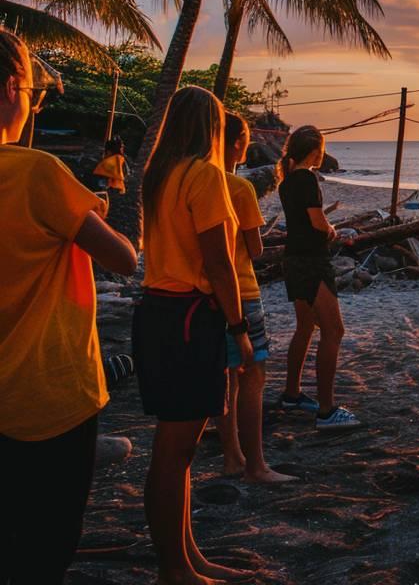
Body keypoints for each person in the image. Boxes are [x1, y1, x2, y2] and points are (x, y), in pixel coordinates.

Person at [0, 29, 137, 583]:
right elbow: (124, 259)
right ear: (11, 87)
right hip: (44, 397)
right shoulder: (37, 173)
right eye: (35, 92)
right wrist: (92, 213)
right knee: (42, 551)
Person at [133, 85, 255, 583]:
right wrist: (239, 328)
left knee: (177, 450)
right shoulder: (204, 176)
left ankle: (187, 557)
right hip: (189, 316)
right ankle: (173, 568)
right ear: (212, 128)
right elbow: (220, 263)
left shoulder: (159, 174)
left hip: (157, 312)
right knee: (174, 450)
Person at [214, 113, 295, 484]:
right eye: (246, 138)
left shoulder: (193, 182)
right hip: (242, 290)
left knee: (225, 377)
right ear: (237, 142)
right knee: (253, 375)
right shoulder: (238, 188)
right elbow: (256, 248)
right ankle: (256, 466)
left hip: (207, 293)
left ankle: (232, 456)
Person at [276, 126, 358, 429]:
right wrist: (333, 231)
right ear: (314, 152)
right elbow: (316, 221)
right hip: (312, 260)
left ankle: (292, 393)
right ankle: (326, 410)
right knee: (334, 331)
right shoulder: (307, 178)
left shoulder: (286, 180)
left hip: (293, 259)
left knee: (305, 327)